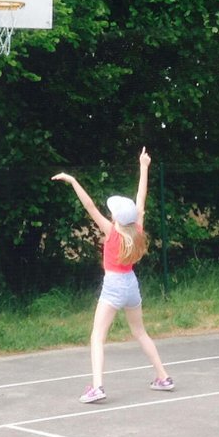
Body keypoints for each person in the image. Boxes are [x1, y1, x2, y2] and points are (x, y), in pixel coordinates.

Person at [52, 147, 174, 403]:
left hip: (113, 285)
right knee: (140, 332)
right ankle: (163, 377)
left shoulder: (111, 231)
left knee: (97, 336)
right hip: (131, 284)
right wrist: (144, 167)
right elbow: (141, 199)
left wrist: (73, 181)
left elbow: (89, 205)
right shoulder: (137, 230)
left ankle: (97, 387)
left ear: (115, 217)